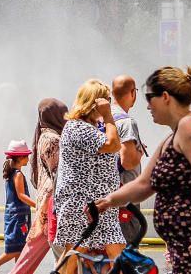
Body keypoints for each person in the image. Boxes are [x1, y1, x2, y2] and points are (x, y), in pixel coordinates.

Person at [95, 67, 191, 274]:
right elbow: (145, 184)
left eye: (149, 97)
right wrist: (108, 201)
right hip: (186, 248)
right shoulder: (174, 137)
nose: (147, 106)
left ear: (166, 97)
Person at [53, 80, 123, 271]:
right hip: (81, 205)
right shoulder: (78, 128)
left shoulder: (88, 127)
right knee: (73, 256)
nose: (109, 104)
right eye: (106, 100)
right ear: (94, 102)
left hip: (97, 205)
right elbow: (113, 145)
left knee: (113, 252)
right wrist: (109, 115)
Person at [10, 98, 68, 274]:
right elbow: (60, 173)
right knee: (59, 253)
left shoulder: (45, 135)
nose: (67, 118)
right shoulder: (53, 139)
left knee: (35, 252)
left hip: (47, 201)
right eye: (63, 114)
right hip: (53, 202)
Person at [0, 141, 35, 273]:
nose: (28, 159)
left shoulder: (12, 174)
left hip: (16, 215)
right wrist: (37, 205)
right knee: (15, 249)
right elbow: (21, 195)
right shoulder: (17, 175)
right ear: (20, 158)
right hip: (18, 217)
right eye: (26, 156)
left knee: (21, 248)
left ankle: (20, 271)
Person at [111, 75, 147, 243]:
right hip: (125, 198)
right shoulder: (126, 122)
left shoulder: (102, 118)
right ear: (133, 93)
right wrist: (139, 153)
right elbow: (127, 161)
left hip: (105, 195)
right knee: (127, 249)